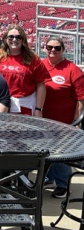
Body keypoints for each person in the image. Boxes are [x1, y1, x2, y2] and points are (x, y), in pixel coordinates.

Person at [41, 36, 84, 198]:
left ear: (63, 50)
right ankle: (49, 178)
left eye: (57, 48)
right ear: (45, 48)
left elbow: (81, 98)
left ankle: (62, 183)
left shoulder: (72, 69)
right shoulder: (41, 65)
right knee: (45, 152)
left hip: (64, 121)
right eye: (49, 47)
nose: (52, 50)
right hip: (42, 120)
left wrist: (76, 121)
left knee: (61, 153)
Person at [0, 24, 50, 116]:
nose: (14, 40)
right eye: (11, 37)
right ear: (5, 39)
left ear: (23, 39)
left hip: (24, 105)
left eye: (18, 37)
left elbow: (40, 85)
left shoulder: (33, 59)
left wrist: (38, 108)